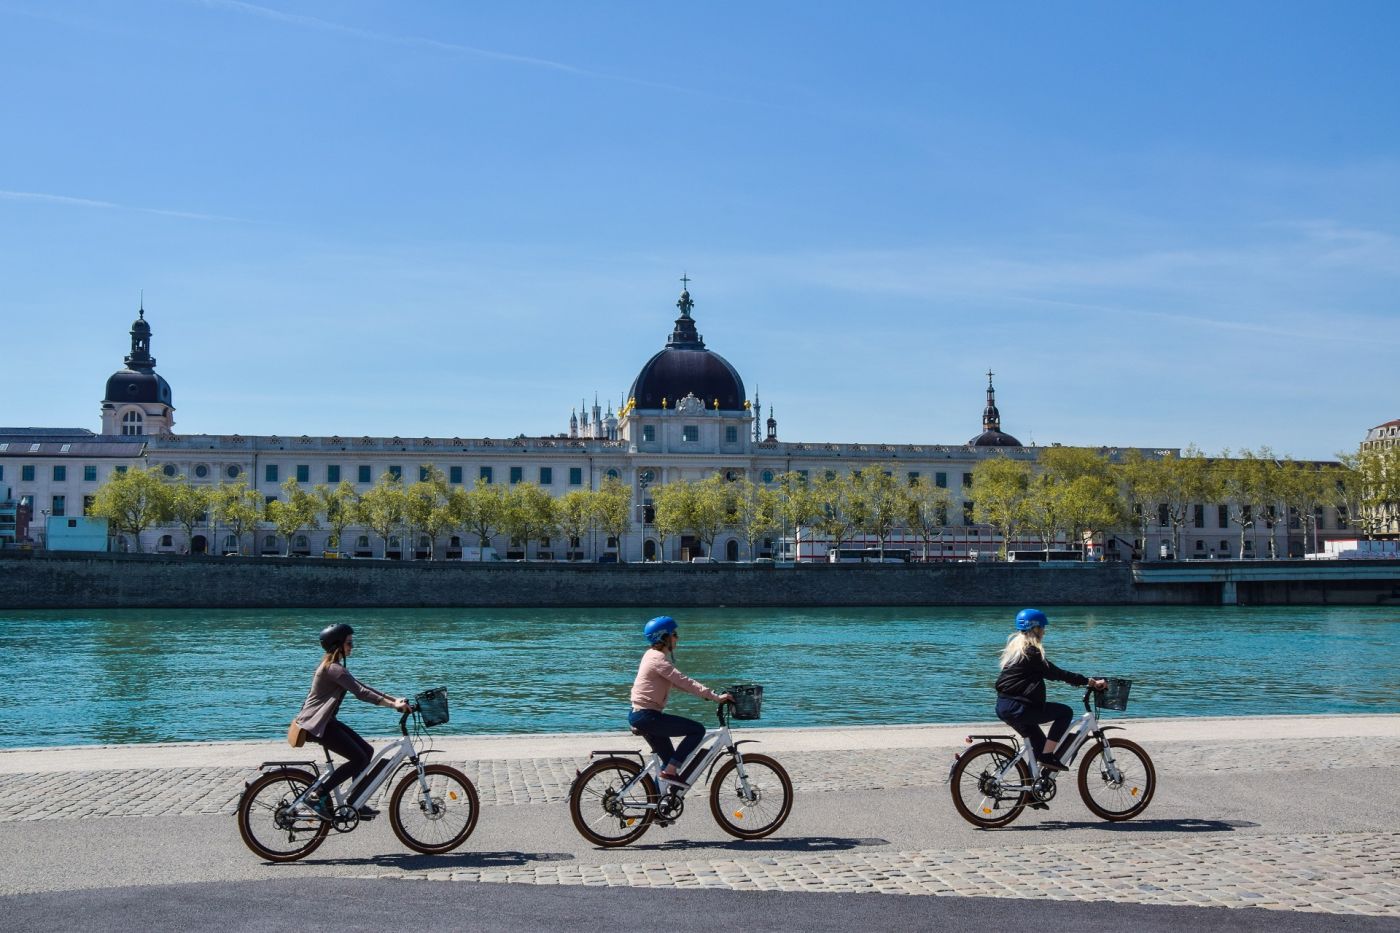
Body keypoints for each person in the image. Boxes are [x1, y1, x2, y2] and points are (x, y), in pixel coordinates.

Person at [295, 623, 411, 819]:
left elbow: (364, 687)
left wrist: (395, 699)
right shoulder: (333, 669)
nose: (352, 646)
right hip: (317, 725)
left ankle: (357, 800)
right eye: (349, 643)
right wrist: (393, 706)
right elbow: (362, 693)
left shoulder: (335, 668)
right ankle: (316, 796)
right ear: (338, 645)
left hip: (324, 722)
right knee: (358, 758)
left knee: (367, 752)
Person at [994, 609, 1105, 778]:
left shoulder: (1016, 653)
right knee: (1065, 712)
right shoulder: (1032, 653)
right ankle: (1048, 757)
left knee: (1038, 746)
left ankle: (1032, 791)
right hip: (1019, 708)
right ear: (1036, 629)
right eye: (1043, 628)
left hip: (1005, 706)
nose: (1044, 631)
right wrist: (1089, 682)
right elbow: (1056, 673)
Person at [629, 616, 732, 786]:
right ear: (664, 637)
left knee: (670, 760)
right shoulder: (658, 659)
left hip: (641, 715)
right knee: (697, 730)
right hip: (647, 716)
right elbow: (683, 681)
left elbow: (679, 685)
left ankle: (657, 803)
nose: (677, 637)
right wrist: (715, 697)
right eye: (674, 634)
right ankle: (670, 772)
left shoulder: (651, 655)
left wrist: (707, 695)